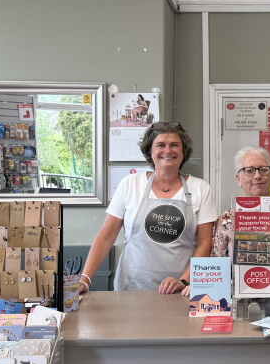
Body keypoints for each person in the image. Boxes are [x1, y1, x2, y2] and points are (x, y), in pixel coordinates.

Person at [80, 122, 218, 294]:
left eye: (175, 145)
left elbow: (205, 243)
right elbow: (106, 237)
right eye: (160, 145)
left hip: (180, 290)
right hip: (132, 288)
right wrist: (84, 279)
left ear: (184, 151)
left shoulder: (200, 188)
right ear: (150, 151)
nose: (168, 150)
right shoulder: (130, 184)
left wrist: (184, 281)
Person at [182, 146, 270, 297]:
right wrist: (201, 285)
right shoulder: (227, 219)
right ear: (239, 179)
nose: (257, 176)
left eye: (263, 170)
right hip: (241, 299)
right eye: (249, 171)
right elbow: (217, 267)